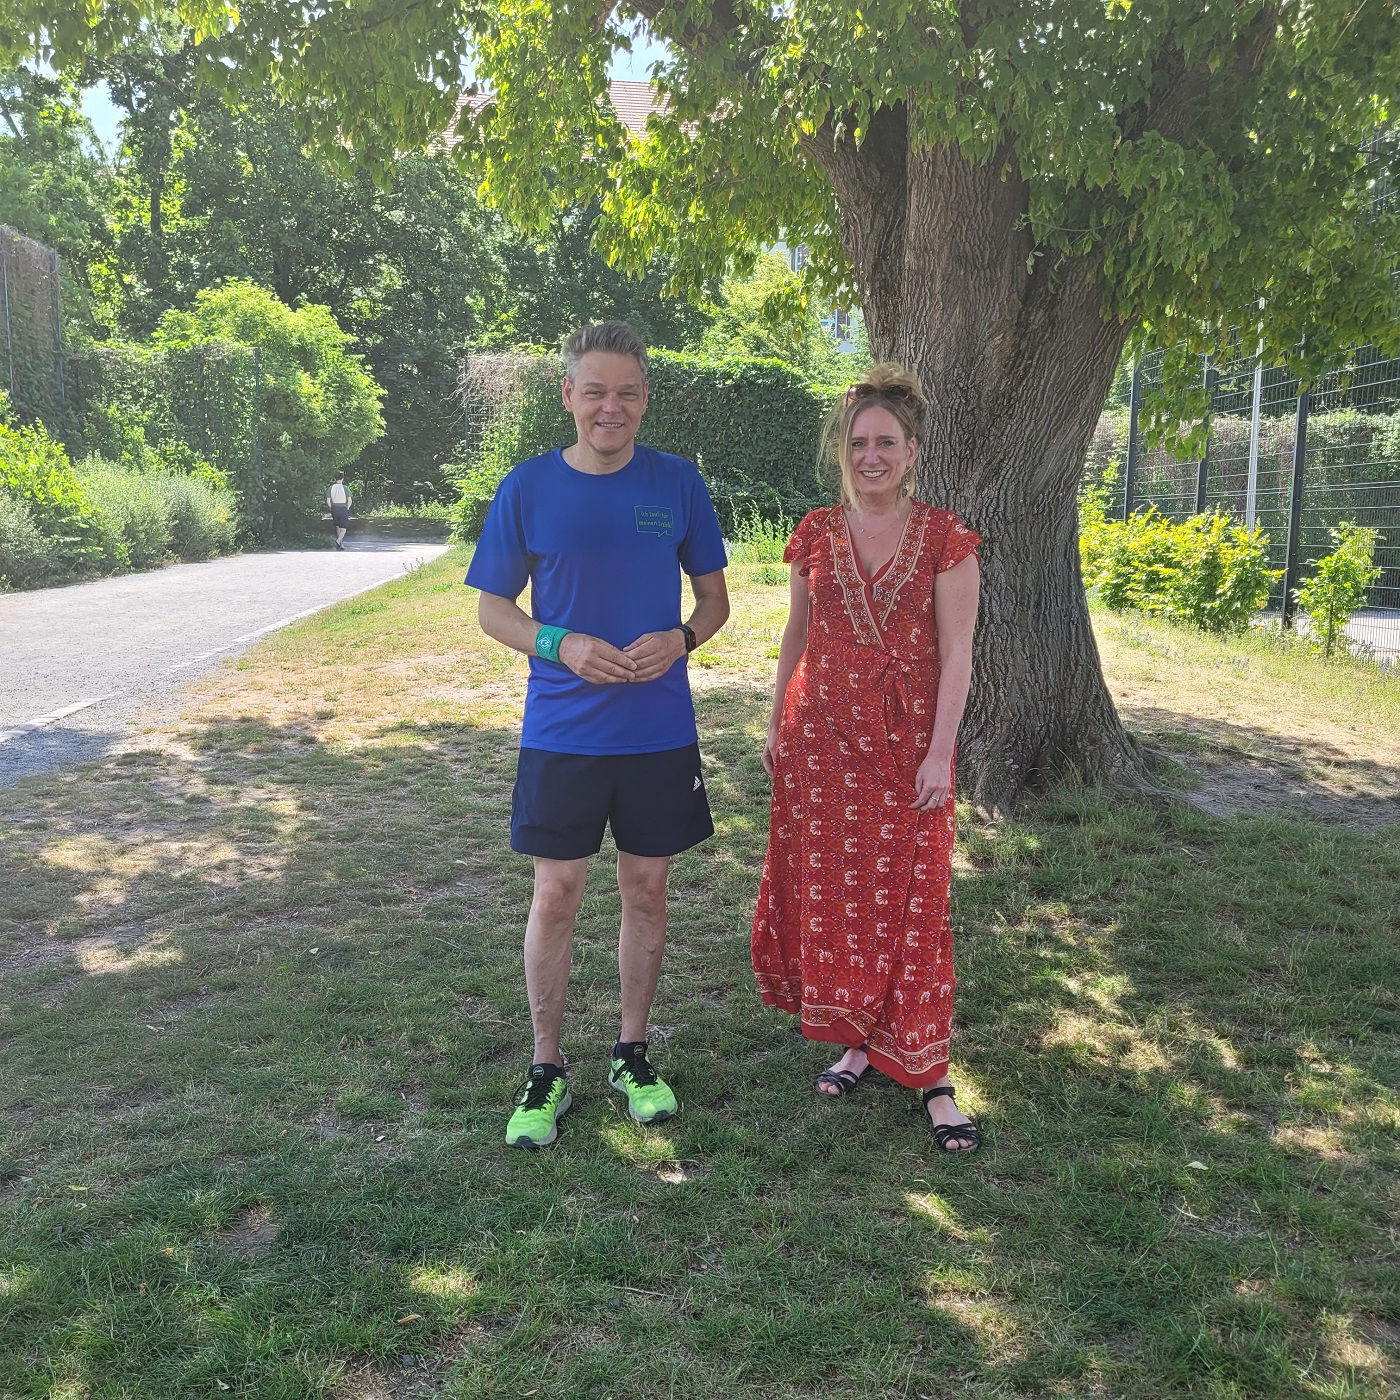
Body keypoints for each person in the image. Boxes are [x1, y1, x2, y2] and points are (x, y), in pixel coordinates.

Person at [466, 321, 730, 1150]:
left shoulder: (679, 484)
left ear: (645, 400)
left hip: (657, 730)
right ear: (568, 396)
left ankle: (631, 1053)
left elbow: (715, 604)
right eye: (595, 390)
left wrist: (682, 639)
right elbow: (493, 610)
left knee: (646, 889)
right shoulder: (527, 487)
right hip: (562, 729)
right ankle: (547, 1068)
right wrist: (561, 642)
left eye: (627, 392)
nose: (610, 406)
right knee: (558, 892)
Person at [750, 363, 983, 1153]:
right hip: (823, 746)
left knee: (916, 902)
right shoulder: (816, 532)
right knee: (843, 902)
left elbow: (958, 659)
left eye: (886, 442)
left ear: (912, 449)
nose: (871, 456)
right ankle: (859, 1042)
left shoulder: (948, 541)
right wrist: (777, 716)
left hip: (909, 748)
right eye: (859, 443)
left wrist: (940, 755)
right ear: (842, 451)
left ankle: (932, 1070)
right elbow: (797, 634)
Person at [327, 473, 351, 549]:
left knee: (337, 527)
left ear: (335, 479)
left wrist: (331, 508)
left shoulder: (331, 488)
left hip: (334, 508)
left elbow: (328, 500)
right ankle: (338, 541)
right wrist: (347, 508)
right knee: (343, 528)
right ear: (342, 478)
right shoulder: (345, 488)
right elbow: (349, 500)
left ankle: (341, 544)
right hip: (343, 507)